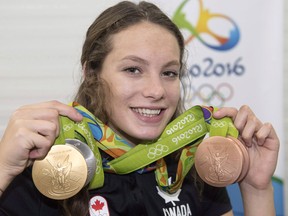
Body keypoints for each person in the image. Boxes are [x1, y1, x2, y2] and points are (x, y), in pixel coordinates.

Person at [0, 1, 279, 216]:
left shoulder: (190, 167)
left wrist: (256, 188)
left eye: (169, 73)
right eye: (133, 69)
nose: (156, 90)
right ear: (91, 73)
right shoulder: (49, 167)